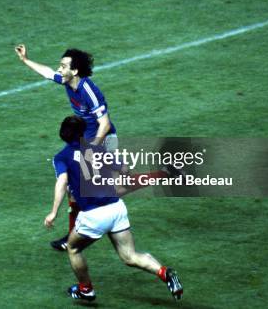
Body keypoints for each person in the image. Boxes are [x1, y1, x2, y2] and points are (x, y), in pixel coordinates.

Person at [15, 44, 172, 250]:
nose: (59, 69)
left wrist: (92, 150)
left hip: (103, 138)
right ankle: (72, 236)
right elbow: (47, 73)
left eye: (63, 66)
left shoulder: (88, 90)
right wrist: (26, 60)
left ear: (75, 71)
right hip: (87, 138)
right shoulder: (66, 80)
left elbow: (105, 124)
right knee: (79, 188)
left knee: (113, 189)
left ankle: (163, 174)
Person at [44, 115, 184, 302]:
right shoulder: (96, 149)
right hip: (116, 209)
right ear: (83, 133)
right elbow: (124, 168)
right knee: (130, 256)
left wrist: (53, 212)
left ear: (62, 134)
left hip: (93, 216)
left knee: (73, 248)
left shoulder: (61, 157)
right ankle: (164, 272)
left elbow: (62, 182)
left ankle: (85, 289)